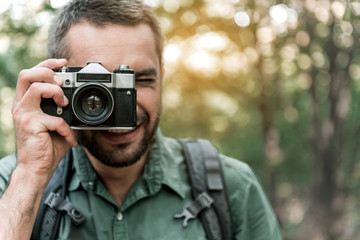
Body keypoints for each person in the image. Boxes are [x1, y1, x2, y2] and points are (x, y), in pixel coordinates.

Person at [0, 0, 282, 239]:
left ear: (162, 76)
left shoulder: (231, 187)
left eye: (143, 79)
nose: (123, 108)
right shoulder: (12, 184)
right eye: (96, 89)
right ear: (58, 84)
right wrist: (29, 178)